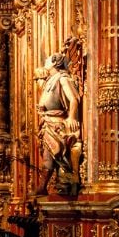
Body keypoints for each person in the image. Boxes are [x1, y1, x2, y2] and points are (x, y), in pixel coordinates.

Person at [36, 53, 83, 196]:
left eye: (48, 59)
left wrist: (72, 117)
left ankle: (55, 184)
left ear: (56, 63)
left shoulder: (62, 78)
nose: (45, 60)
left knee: (56, 155)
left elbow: (74, 99)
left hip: (56, 124)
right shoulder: (50, 80)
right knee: (48, 155)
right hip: (47, 122)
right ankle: (45, 186)